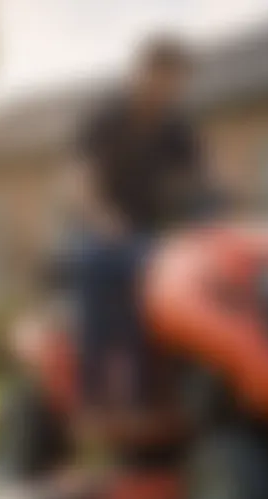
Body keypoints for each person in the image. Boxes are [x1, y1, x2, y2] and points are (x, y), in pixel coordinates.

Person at [62, 35, 203, 450]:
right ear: (141, 73)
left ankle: (174, 395)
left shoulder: (177, 128)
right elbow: (79, 180)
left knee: (179, 282)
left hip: (153, 238)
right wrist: (103, 218)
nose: (169, 89)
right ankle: (93, 398)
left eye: (177, 82)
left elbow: (196, 181)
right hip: (99, 231)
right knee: (99, 265)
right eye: (163, 78)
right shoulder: (105, 117)